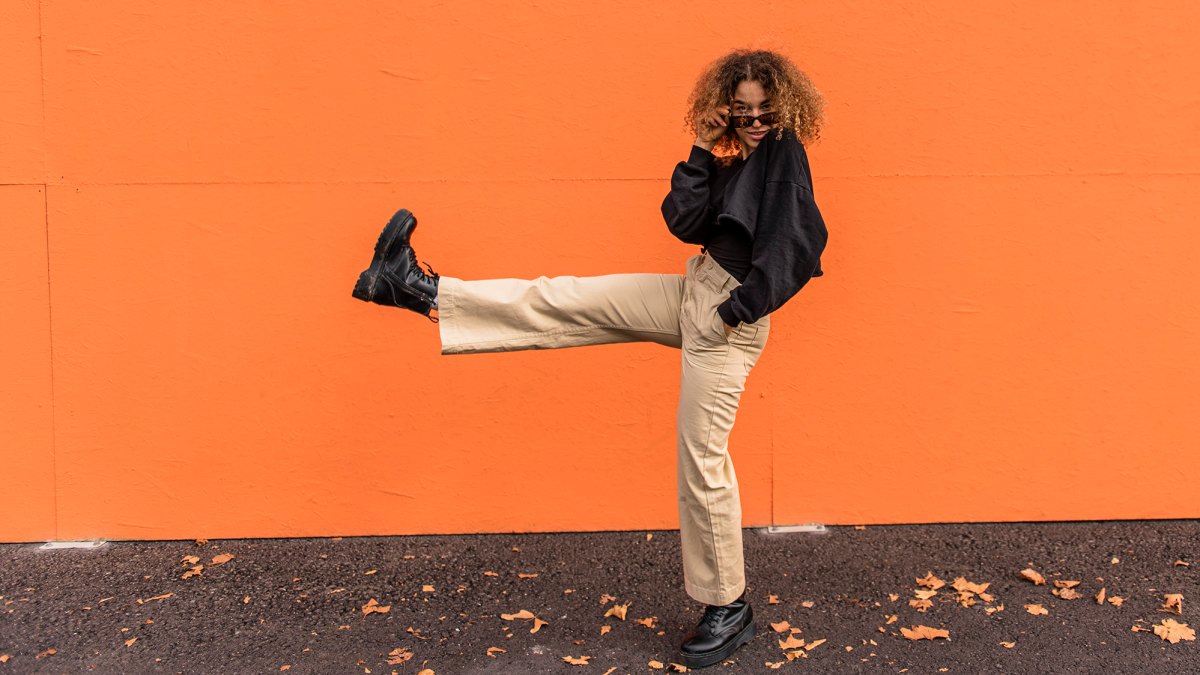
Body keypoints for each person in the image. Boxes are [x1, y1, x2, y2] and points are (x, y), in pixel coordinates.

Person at [351, 48, 828, 669]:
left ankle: (728, 606)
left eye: (764, 111)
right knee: (568, 297)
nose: (755, 121)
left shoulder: (784, 154)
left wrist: (737, 310)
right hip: (697, 289)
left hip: (723, 319)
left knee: (702, 461)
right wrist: (702, 147)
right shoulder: (740, 158)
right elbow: (683, 220)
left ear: (785, 108)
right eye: (742, 110)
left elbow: (799, 247)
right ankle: (418, 289)